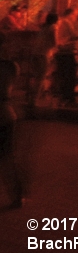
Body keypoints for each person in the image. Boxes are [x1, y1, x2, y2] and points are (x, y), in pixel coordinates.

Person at [0, 32, 24, 208]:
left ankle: (17, 195)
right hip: (6, 113)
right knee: (7, 157)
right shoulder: (11, 67)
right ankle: (17, 196)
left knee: (6, 158)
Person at [53, 8, 78, 107]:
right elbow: (75, 35)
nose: (75, 17)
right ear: (71, 14)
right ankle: (69, 98)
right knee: (70, 76)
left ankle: (62, 98)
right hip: (67, 52)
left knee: (62, 75)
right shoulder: (67, 22)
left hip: (59, 52)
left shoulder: (58, 22)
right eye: (75, 15)